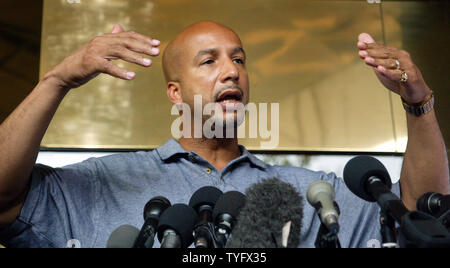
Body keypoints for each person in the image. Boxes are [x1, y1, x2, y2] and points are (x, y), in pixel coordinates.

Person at [0, 21, 448, 248]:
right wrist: (57, 80)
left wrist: (418, 102)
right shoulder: (101, 183)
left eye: (239, 59)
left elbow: (422, 215)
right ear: (174, 92)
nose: (232, 70)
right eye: (209, 61)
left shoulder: (315, 195)